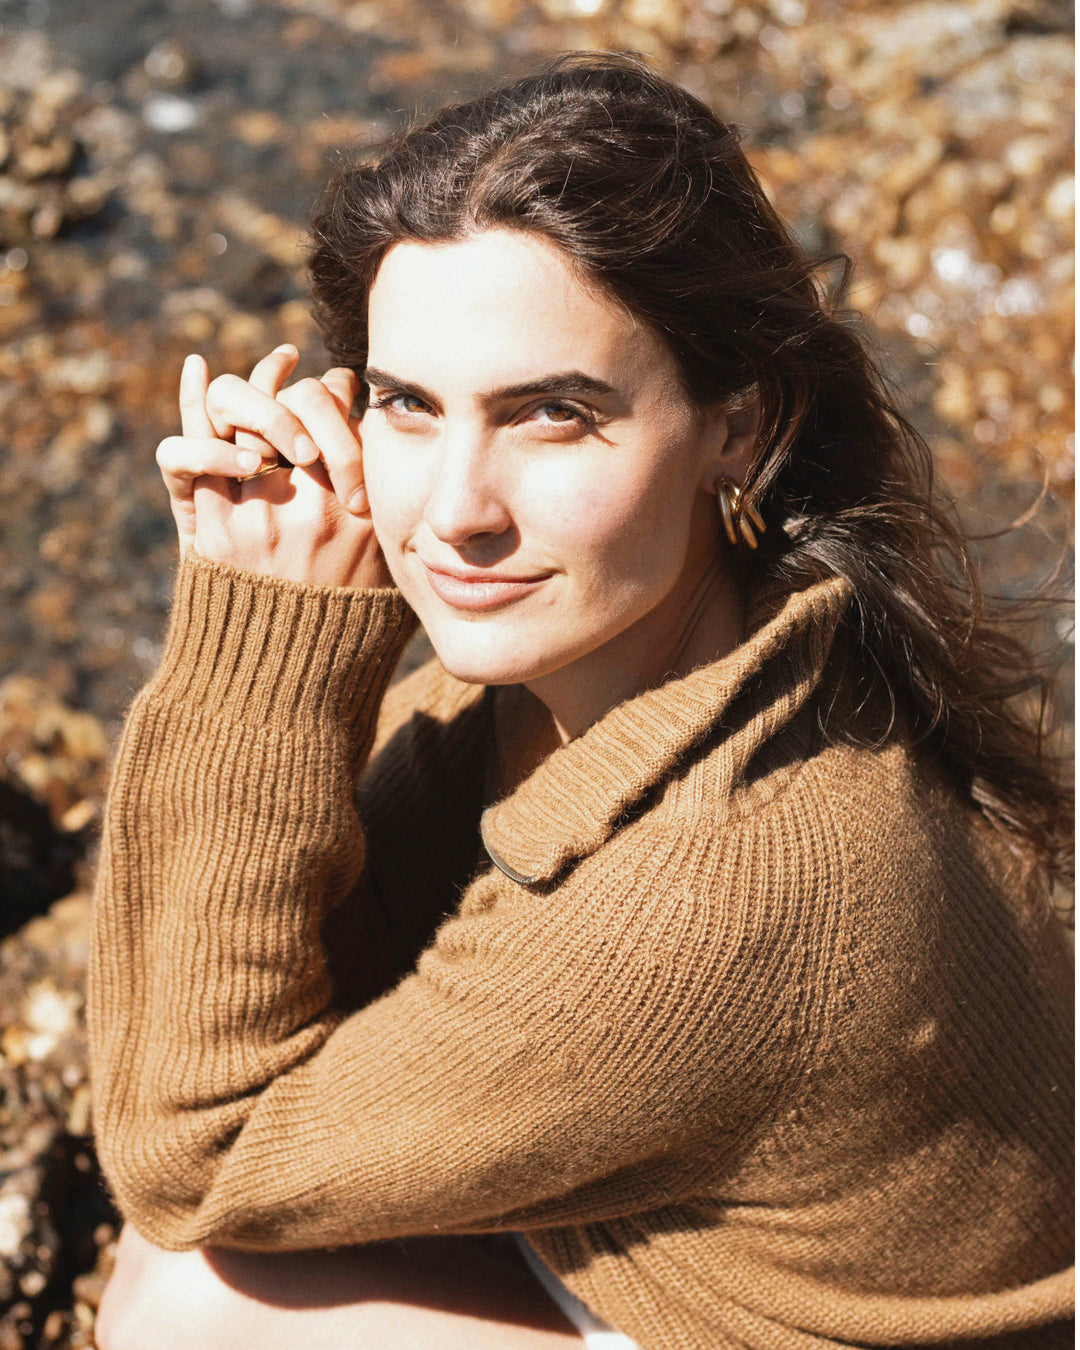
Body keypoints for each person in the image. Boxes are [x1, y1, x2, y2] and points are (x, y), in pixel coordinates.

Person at [89, 51, 1073, 1350]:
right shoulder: (722, 626)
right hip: (727, 1241)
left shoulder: (715, 889)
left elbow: (190, 1151)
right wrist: (319, 620)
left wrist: (261, 648)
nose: (456, 511)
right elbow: (312, 980)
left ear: (738, 426)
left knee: (188, 1302)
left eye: (553, 413)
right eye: (406, 404)